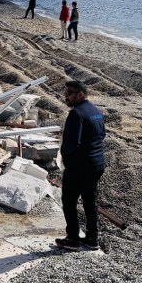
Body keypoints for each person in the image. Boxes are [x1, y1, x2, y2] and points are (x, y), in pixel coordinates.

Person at [56, 81, 106, 252]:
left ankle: (72, 239)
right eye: (66, 92)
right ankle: (92, 239)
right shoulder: (96, 112)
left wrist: (67, 162)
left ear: (81, 94)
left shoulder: (76, 114)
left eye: (70, 93)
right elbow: (102, 135)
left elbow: (72, 144)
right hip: (97, 163)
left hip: (81, 166)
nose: (66, 96)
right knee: (90, 201)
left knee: (69, 201)